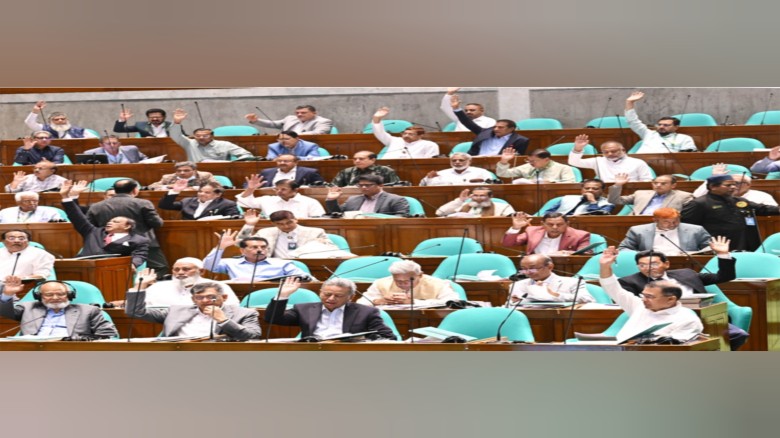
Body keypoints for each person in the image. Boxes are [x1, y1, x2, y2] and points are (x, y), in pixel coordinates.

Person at [616, 239, 750, 351]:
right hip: (666, 321)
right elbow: (630, 304)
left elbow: (724, 277)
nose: (649, 268)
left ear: (666, 264)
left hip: (704, 316)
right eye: (642, 265)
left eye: (654, 264)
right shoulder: (629, 282)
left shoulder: (686, 273)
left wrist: (723, 255)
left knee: (738, 335)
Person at [598, 246, 703, 344]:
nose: (644, 300)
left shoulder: (688, 320)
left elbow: (674, 348)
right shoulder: (639, 306)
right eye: (644, 295)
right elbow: (612, 288)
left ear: (670, 299)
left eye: (650, 297)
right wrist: (605, 266)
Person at [125, 269, 261, 340]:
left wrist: (224, 320)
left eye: (211, 297)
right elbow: (135, 312)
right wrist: (139, 286)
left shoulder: (244, 313)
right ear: (193, 300)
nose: (205, 300)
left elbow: (253, 336)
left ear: (224, 297)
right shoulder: (176, 311)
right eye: (199, 298)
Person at [265, 277, 396, 340]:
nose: (331, 299)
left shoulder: (366, 312)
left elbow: (388, 337)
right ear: (320, 292)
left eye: (338, 296)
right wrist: (283, 295)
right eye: (327, 294)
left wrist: (362, 341)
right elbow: (273, 319)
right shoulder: (304, 309)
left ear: (350, 297)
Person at [60, 181, 150, 268]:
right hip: (84, 267)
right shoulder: (93, 232)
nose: (110, 223)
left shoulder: (138, 240)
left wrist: (133, 264)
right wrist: (65, 196)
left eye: (116, 222)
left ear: (127, 226)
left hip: (112, 269)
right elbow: (76, 216)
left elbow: (140, 255)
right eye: (110, 221)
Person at [680, 174, 780, 251]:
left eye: (734, 184)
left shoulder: (739, 200)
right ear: (713, 187)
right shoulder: (699, 203)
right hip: (720, 245)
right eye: (728, 185)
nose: (733, 187)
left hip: (746, 242)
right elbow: (687, 226)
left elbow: (762, 209)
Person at [85, 179, 165, 273]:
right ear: (135, 190)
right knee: (160, 268)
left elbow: (90, 227)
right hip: (142, 244)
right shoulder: (143, 203)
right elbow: (157, 223)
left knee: (111, 271)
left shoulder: (96, 206)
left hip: (108, 245)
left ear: (115, 190)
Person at [0, 277, 118, 338]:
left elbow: (109, 334)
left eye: (61, 294)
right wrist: (7, 294)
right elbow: (5, 312)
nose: (55, 298)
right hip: (32, 351)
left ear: (70, 295)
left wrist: (82, 342)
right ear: (39, 297)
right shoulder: (28, 308)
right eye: (49, 295)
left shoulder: (88, 310)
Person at [202, 233, 309, 281]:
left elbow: (305, 277)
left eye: (263, 247)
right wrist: (220, 247)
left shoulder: (282, 263)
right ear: (242, 250)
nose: (259, 250)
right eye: (254, 247)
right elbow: (208, 266)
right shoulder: (231, 263)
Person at [449, 94, 529, 156]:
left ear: (511, 129)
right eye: (495, 127)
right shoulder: (485, 133)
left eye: (500, 127)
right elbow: (467, 122)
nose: (496, 129)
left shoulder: (520, 140)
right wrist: (456, 108)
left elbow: (518, 157)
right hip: (476, 161)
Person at [140, 258, 240, 307]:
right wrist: (140, 286)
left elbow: (232, 307)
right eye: (176, 269)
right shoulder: (158, 287)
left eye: (186, 269)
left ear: (201, 271)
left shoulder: (217, 286)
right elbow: (138, 308)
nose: (180, 273)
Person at [237, 210, 337, 258]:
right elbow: (240, 244)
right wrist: (249, 225)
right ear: (273, 224)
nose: (286, 226)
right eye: (280, 224)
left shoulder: (315, 232)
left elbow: (333, 250)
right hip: (274, 265)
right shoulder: (265, 233)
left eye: (289, 222)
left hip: (305, 264)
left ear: (296, 220)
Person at [359, 260, 460, 306]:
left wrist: (414, 302)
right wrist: (378, 301)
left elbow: (453, 301)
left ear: (420, 275)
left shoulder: (438, 284)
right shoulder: (381, 283)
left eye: (408, 280)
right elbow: (362, 302)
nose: (403, 284)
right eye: (398, 281)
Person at [625, 91, 697, 153]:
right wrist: (629, 102)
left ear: (676, 127)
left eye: (666, 125)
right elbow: (633, 121)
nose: (661, 127)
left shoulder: (684, 138)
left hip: (668, 163)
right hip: (642, 161)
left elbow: (689, 155)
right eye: (659, 124)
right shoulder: (648, 134)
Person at [505, 254, 593, 305]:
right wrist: (514, 301)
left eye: (533, 268)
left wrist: (556, 295)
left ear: (550, 266)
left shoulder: (572, 282)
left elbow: (587, 299)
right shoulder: (517, 285)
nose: (528, 272)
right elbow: (509, 305)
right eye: (524, 269)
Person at [170, 109, 253, 162]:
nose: (201, 138)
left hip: (220, 170)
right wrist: (177, 122)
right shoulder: (189, 143)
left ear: (212, 136)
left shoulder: (224, 144)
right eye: (198, 136)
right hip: (196, 171)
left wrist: (235, 162)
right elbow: (175, 135)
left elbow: (246, 154)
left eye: (205, 136)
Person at [618, 208, 712, 254]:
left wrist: (709, 250)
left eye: (676, 221)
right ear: (655, 220)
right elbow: (624, 249)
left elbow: (709, 247)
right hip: (651, 264)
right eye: (666, 222)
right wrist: (643, 255)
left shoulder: (696, 230)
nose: (672, 224)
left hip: (685, 264)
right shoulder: (638, 230)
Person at [568, 134, 654, 182]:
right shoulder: (598, 161)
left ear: (623, 150)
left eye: (613, 151)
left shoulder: (638, 162)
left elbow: (647, 180)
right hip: (605, 192)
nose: (610, 154)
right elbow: (573, 162)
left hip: (631, 192)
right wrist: (578, 148)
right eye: (606, 152)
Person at [502, 212, 592, 255]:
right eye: (550, 224)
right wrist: (516, 228)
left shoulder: (580, 235)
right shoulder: (532, 231)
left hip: (564, 268)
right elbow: (508, 244)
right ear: (543, 224)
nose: (555, 227)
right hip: (535, 267)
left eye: (559, 224)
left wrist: (565, 253)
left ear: (567, 224)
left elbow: (586, 254)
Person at [236, 177, 325, 218]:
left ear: (295, 190)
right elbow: (244, 202)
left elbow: (319, 220)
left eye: (283, 189)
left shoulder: (310, 202)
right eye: (276, 189)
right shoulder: (267, 200)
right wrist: (250, 189)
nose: (279, 192)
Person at [607, 173, 694, 215]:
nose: (658, 185)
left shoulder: (684, 196)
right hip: (636, 222)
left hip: (664, 223)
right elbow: (614, 200)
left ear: (673, 185)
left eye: (663, 183)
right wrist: (617, 185)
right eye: (655, 183)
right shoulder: (640, 193)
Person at [325, 174, 410, 216]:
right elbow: (338, 215)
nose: (363, 187)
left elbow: (401, 217)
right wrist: (331, 200)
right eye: (361, 185)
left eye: (368, 185)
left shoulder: (395, 199)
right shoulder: (352, 199)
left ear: (380, 185)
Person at [371, 107, 439, 158]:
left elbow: (430, 162)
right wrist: (376, 118)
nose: (406, 135)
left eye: (411, 134)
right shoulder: (394, 141)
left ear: (420, 135)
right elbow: (379, 132)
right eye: (404, 133)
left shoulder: (429, 145)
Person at [691, 165, 777, 206]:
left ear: (748, 185)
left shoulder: (762, 196)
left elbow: (772, 213)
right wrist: (715, 177)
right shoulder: (719, 195)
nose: (733, 186)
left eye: (737, 183)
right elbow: (697, 196)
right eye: (730, 184)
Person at [159, 180, 240, 220]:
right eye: (200, 191)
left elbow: (234, 219)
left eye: (207, 192)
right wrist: (175, 191)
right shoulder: (187, 201)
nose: (202, 194)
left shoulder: (227, 204)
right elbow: (165, 206)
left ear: (218, 194)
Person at [496, 147, 577, 183]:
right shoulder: (527, 166)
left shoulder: (563, 168)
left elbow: (570, 183)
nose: (530, 163)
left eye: (533, 161)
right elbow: (502, 174)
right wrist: (504, 161)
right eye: (528, 160)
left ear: (546, 160)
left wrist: (551, 183)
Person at [23, 100, 98, 139]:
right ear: (50, 122)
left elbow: (95, 140)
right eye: (56, 119)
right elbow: (29, 123)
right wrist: (35, 111)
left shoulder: (78, 130)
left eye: (63, 119)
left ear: (67, 120)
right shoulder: (45, 129)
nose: (60, 121)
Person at [541, 179, 614, 216]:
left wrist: (593, 202)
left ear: (602, 190)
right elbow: (548, 212)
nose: (590, 190)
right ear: (581, 190)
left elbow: (597, 217)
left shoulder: (608, 203)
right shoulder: (567, 198)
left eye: (595, 189)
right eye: (587, 188)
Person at [245, 105, 333, 135]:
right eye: (297, 113)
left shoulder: (323, 121)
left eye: (303, 113)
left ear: (314, 113)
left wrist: (290, 135)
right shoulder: (290, 118)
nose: (299, 114)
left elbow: (318, 133)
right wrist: (256, 120)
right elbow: (273, 124)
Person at [331, 151, 400, 187]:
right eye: (355, 159)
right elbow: (334, 186)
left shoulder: (385, 170)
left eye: (361, 159)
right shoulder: (346, 171)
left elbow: (395, 186)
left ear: (373, 160)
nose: (357, 161)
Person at [419, 152, 494, 186]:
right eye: (454, 160)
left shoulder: (481, 172)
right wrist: (429, 178)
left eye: (461, 160)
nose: (457, 162)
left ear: (469, 161)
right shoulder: (441, 173)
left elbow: (491, 185)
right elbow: (422, 185)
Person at [436, 186, 516, 217]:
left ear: (490, 197)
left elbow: (511, 218)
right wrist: (460, 200)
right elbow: (440, 213)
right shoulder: (465, 204)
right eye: (475, 195)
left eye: (482, 196)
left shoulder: (503, 206)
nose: (478, 198)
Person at [258, 154, 325, 187]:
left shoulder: (309, 172)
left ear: (296, 162)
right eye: (279, 161)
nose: (282, 163)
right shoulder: (266, 172)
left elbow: (320, 187)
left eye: (286, 161)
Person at [148, 161, 218, 191]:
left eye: (186, 170)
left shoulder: (205, 175)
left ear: (194, 171)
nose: (182, 173)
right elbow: (151, 187)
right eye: (179, 171)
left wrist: (195, 188)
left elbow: (217, 186)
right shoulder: (168, 177)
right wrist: (169, 186)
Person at [82, 135, 149, 164]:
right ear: (102, 145)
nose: (112, 145)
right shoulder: (91, 153)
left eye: (114, 143)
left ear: (119, 144)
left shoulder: (131, 149)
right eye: (109, 143)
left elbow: (145, 159)